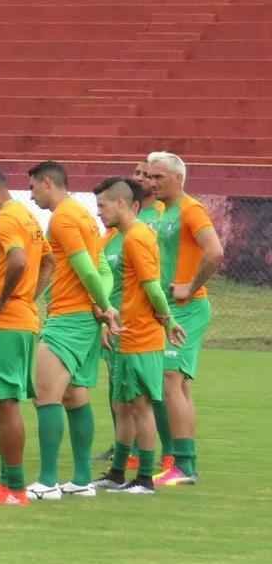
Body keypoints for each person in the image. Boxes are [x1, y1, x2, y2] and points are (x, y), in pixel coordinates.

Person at [26, 160, 119, 501]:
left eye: (33, 186)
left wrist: (104, 306)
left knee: (45, 395)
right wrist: (102, 303)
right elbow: (103, 268)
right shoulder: (84, 216)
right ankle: (81, 479)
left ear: (48, 183)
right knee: (74, 396)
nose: (31, 194)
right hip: (84, 318)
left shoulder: (63, 218)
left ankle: (47, 481)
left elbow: (85, 268)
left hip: (68, 318)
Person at [92, 177, 186, 494]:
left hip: (141, 336)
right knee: (123, 406)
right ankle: (118, 472)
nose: (99, 213)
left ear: (121, 203)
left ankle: (144, 478)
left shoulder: (137, 238)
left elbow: (152, 287)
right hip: (125, 333)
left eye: (102, 206)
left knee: (140, 406)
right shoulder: (126, 236)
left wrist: (168, 321)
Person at [0, 164, 51, 506]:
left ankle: (14, 488)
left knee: (4, 402)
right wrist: (29, 298)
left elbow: (17, 260)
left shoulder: (6, 218)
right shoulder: (27, 216)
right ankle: (8, 483)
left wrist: (4, 300)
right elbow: (48, 262)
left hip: (6, 323)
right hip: (23, 319)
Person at [148, 151, 223, 486]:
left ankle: (185, 465)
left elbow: (215, 251)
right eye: (149, 177)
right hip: (170, 308)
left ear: (178, 178)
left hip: (188, 308)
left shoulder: (192, 209)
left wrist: (191, 287)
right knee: (178, 384)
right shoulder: (166, 211)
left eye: (158, 177)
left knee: (169, 380)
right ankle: (183, 463)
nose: (151, 183)